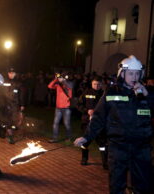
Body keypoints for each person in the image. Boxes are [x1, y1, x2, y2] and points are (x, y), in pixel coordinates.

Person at [74, 55, 153, 194]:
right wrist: (87, 137)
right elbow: (98, 117)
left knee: (143, 185)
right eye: (130, 73)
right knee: (117, 185)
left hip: (141, 147)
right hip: (118, 146)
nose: (134, 77)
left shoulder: (147, 93)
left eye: (137, 73)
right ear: (122, 73)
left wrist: (148, 95)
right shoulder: (111, 92)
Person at [77, 76, 108, 169]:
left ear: (102, 84)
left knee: (102, 144)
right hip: (87, 122)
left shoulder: (105, 94)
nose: (96, 86)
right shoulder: (86, 93)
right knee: (85, 143)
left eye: (98, 84)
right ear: (91, 84)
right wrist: (87, 110)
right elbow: (78, 105)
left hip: (100, 123)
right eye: (94, 84)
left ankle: (105, 162)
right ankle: (84, 158)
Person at [48, 72, 73, 143]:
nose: (59, 79)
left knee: (66, 123)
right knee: (55, 123)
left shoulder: (69, 83)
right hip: (58, 108)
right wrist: (55, 79)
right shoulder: (58, 85)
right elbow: (49, 86)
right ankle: (54, 138)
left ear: (64, 78)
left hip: (66, 108)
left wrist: (63, 81)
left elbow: (70, 87)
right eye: (59, 77)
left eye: (60, 77)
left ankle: (69, 137)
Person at [4, 67, 25, 144]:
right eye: (9, 73)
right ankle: (10, 136)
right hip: (6, 104)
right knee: (6, 120)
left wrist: (22, 104)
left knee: (13, 121)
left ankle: (11, 132)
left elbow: (21, 94)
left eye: (12, 73)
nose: (11, 74)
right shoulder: (5, 82)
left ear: (15, 74)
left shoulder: (19, 83)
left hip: (14, 105)